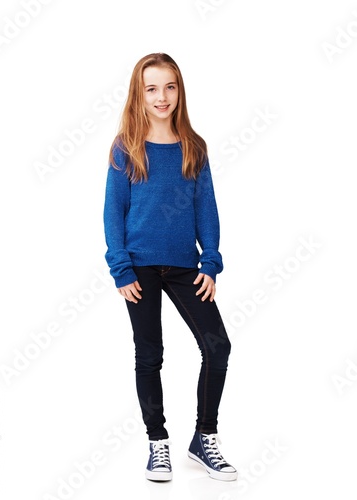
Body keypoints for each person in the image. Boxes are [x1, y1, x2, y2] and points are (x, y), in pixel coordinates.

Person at [103, 52, 237, 482]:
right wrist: (121, 268)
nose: (162, 97)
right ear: (139, 94)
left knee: (217, 347)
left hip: (184, 266)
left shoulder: (194, 147)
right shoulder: (126, 147)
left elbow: (206, 210)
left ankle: (204, 438)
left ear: (179, 91)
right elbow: (113, 212)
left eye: (170, 87)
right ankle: (157, 443)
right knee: (150, 354)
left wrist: (210, 262)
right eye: (152, 88)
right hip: (139, 266)